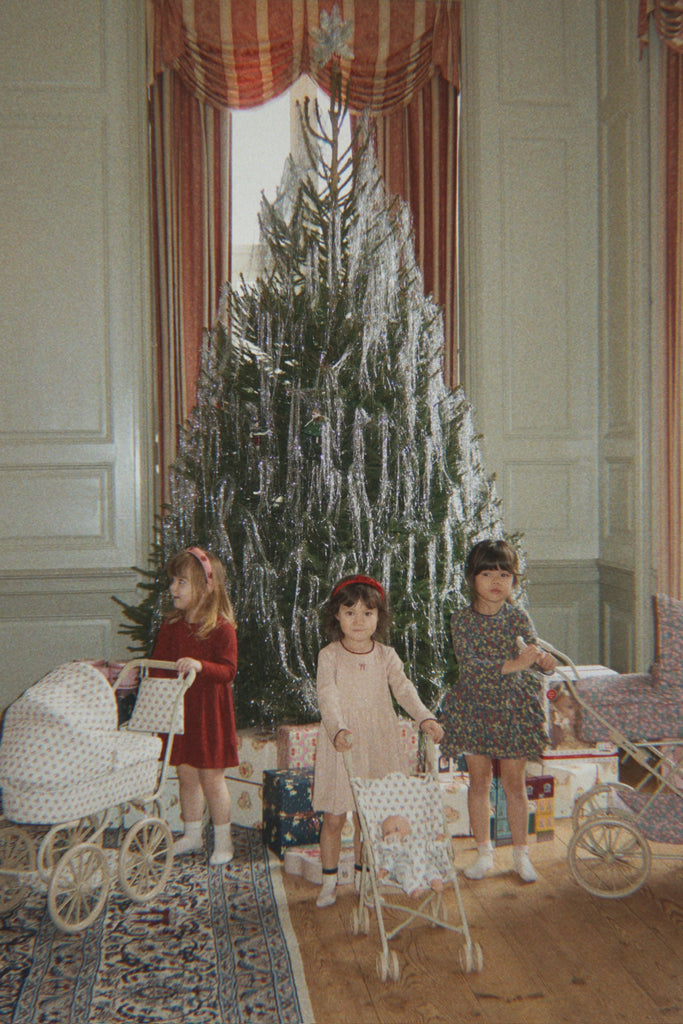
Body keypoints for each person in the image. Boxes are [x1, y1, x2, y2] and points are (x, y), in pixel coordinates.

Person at [312, 574, 444, 908]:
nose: (359, 621)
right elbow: (327, 696)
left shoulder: (386, 655)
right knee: (334, 817)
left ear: (379, 617)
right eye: (350, 612)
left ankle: (364, 879)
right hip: (342, 742)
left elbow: (404, 689)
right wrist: (338, 729)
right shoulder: (329, 655)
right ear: (336, 615)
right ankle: (329, 881)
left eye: (367, 613)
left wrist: (425, 717)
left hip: (379, 740)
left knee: (369, 817)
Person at [440, 539, 557, 884]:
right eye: (487, 573)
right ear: (472, 577)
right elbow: (471, 667)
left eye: (504, 574)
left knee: (514, 785)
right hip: (475, 708)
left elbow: (531, 655)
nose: (496, 581)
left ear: (514, 580)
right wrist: (516, 663)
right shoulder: (462, 620)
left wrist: (544, 663)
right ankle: (484, 852)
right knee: (478, 782)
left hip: (512, 709)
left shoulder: (518, 617)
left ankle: (521, 854)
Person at [151, 546, 238, 866]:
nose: (173, 588)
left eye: (181, 582)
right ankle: (192, 833)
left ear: (204, 587)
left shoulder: (221, 628)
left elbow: (228, 670)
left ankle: (224, 841)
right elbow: (159, 666)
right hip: (180, 713)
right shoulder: (171, 626)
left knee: (212, 779)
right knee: (186, 775)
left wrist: (200, 666)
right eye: (173, 581)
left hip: (209, 715)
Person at [375, 814, 451, 896]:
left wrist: (437, 841)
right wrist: (384, 869)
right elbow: (390, 858)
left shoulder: (417, 837)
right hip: (404, 864)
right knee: (404, 874)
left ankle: (435, 881)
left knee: (431, 868)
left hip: (422, 861)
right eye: (387, 833)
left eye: (396, 829)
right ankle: (413, 889)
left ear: (408, 829)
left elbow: (428, 845)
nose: (392, 833)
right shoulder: (392, 846)